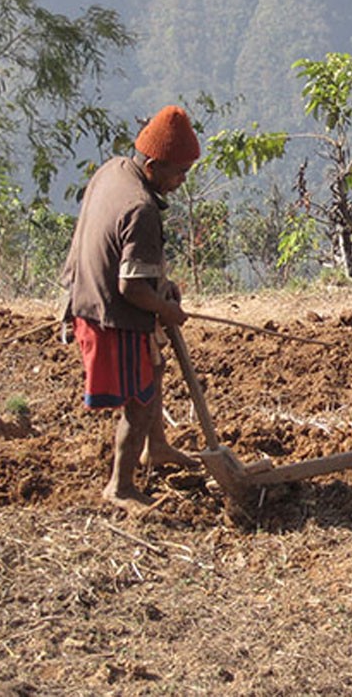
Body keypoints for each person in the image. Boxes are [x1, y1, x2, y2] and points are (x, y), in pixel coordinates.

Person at [62, 104, 201, 508]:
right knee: (137, 403)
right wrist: (166, 308)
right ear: (153, 164)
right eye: (178, 173)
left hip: (87, 294)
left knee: (152, 372)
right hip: (111, 315)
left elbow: (127, 260)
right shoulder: (141, 208)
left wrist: (161, 285)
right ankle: (120, 487)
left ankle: (155, 447)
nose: (181, 182)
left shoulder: (115, 169)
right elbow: (130, 288)